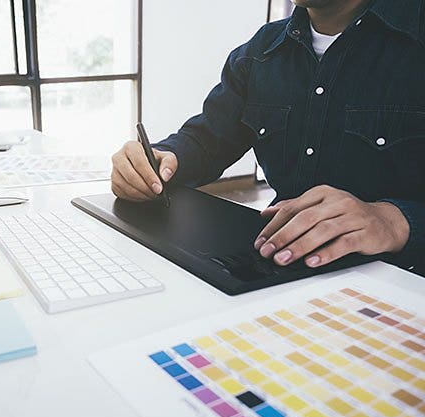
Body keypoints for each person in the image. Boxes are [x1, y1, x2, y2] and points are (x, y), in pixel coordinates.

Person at [111, 0, 424, 274]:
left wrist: (395, 221)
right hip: (277, 264)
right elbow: (207, 140)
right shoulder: (262, 51)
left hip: (400, 280)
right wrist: (163, 160)